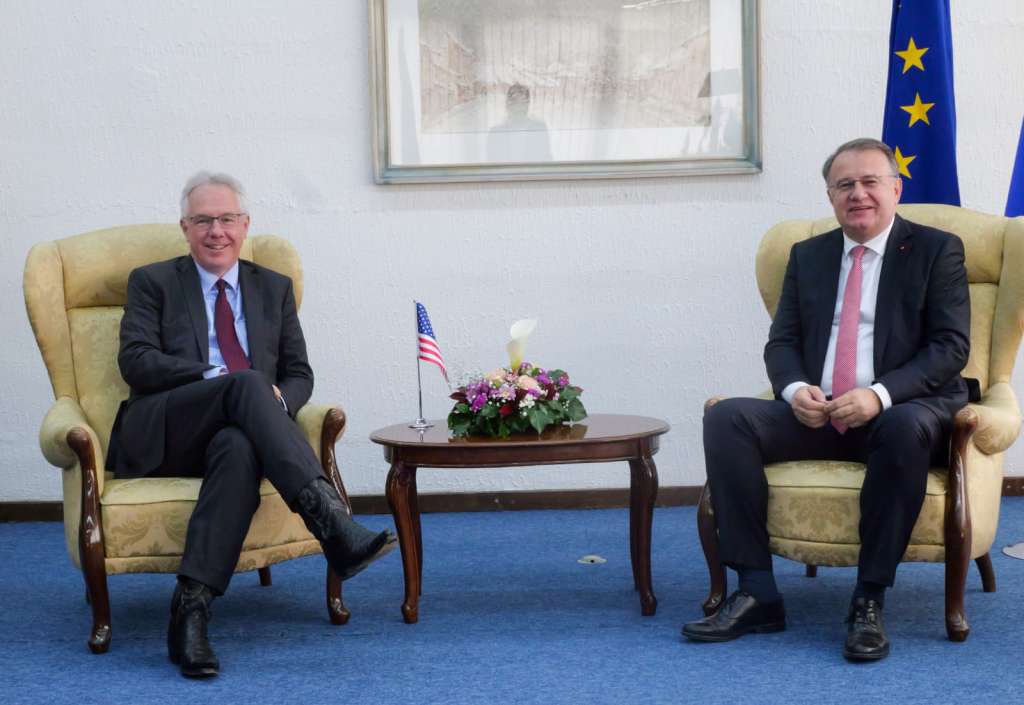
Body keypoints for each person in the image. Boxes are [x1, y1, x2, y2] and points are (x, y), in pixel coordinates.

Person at [681, 138, 970, 661]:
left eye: (870, 181)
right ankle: (757, 592)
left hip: (899, 414)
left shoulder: (936, 249)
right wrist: (795, 391)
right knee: (727, 418)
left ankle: (868, 600)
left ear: (895, 189)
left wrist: (878, 396)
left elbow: (950, 348)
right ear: (831, 196)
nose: (858, 193)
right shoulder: (808, 255)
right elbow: (782, 343)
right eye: (844, 185)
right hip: (821, 413)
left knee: (903, 426)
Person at [106, 172, 396, 678]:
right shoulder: (152, 282)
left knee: (239, 445)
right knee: (244, 383)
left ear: (245, 225)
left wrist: (276, 399)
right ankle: (332, 524)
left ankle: (191, 613)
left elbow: (299, 373)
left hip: (242, 432)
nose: (215, 231)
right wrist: (216, 377)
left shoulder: (273, 288)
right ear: (184, 227)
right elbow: (136, 361)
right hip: (169, 429)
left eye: (226, 219)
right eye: (203, 220)